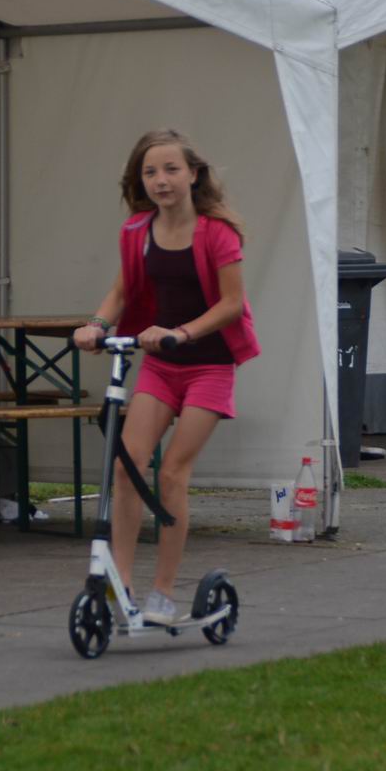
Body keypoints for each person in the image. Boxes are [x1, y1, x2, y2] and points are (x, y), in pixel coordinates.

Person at [73, 129, 259, 624]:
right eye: (150, 172)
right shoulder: (137, 231)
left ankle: (163, 590)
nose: (161, 180)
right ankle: (121, 583)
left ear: (193, 174)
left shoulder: (217, 232)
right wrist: (96, 325)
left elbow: (232, 305)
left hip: (209, 366)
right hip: (160, 366)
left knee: (173, 473)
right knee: (126, 467)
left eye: (171, 169)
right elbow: (121, 291)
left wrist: (181, 332)